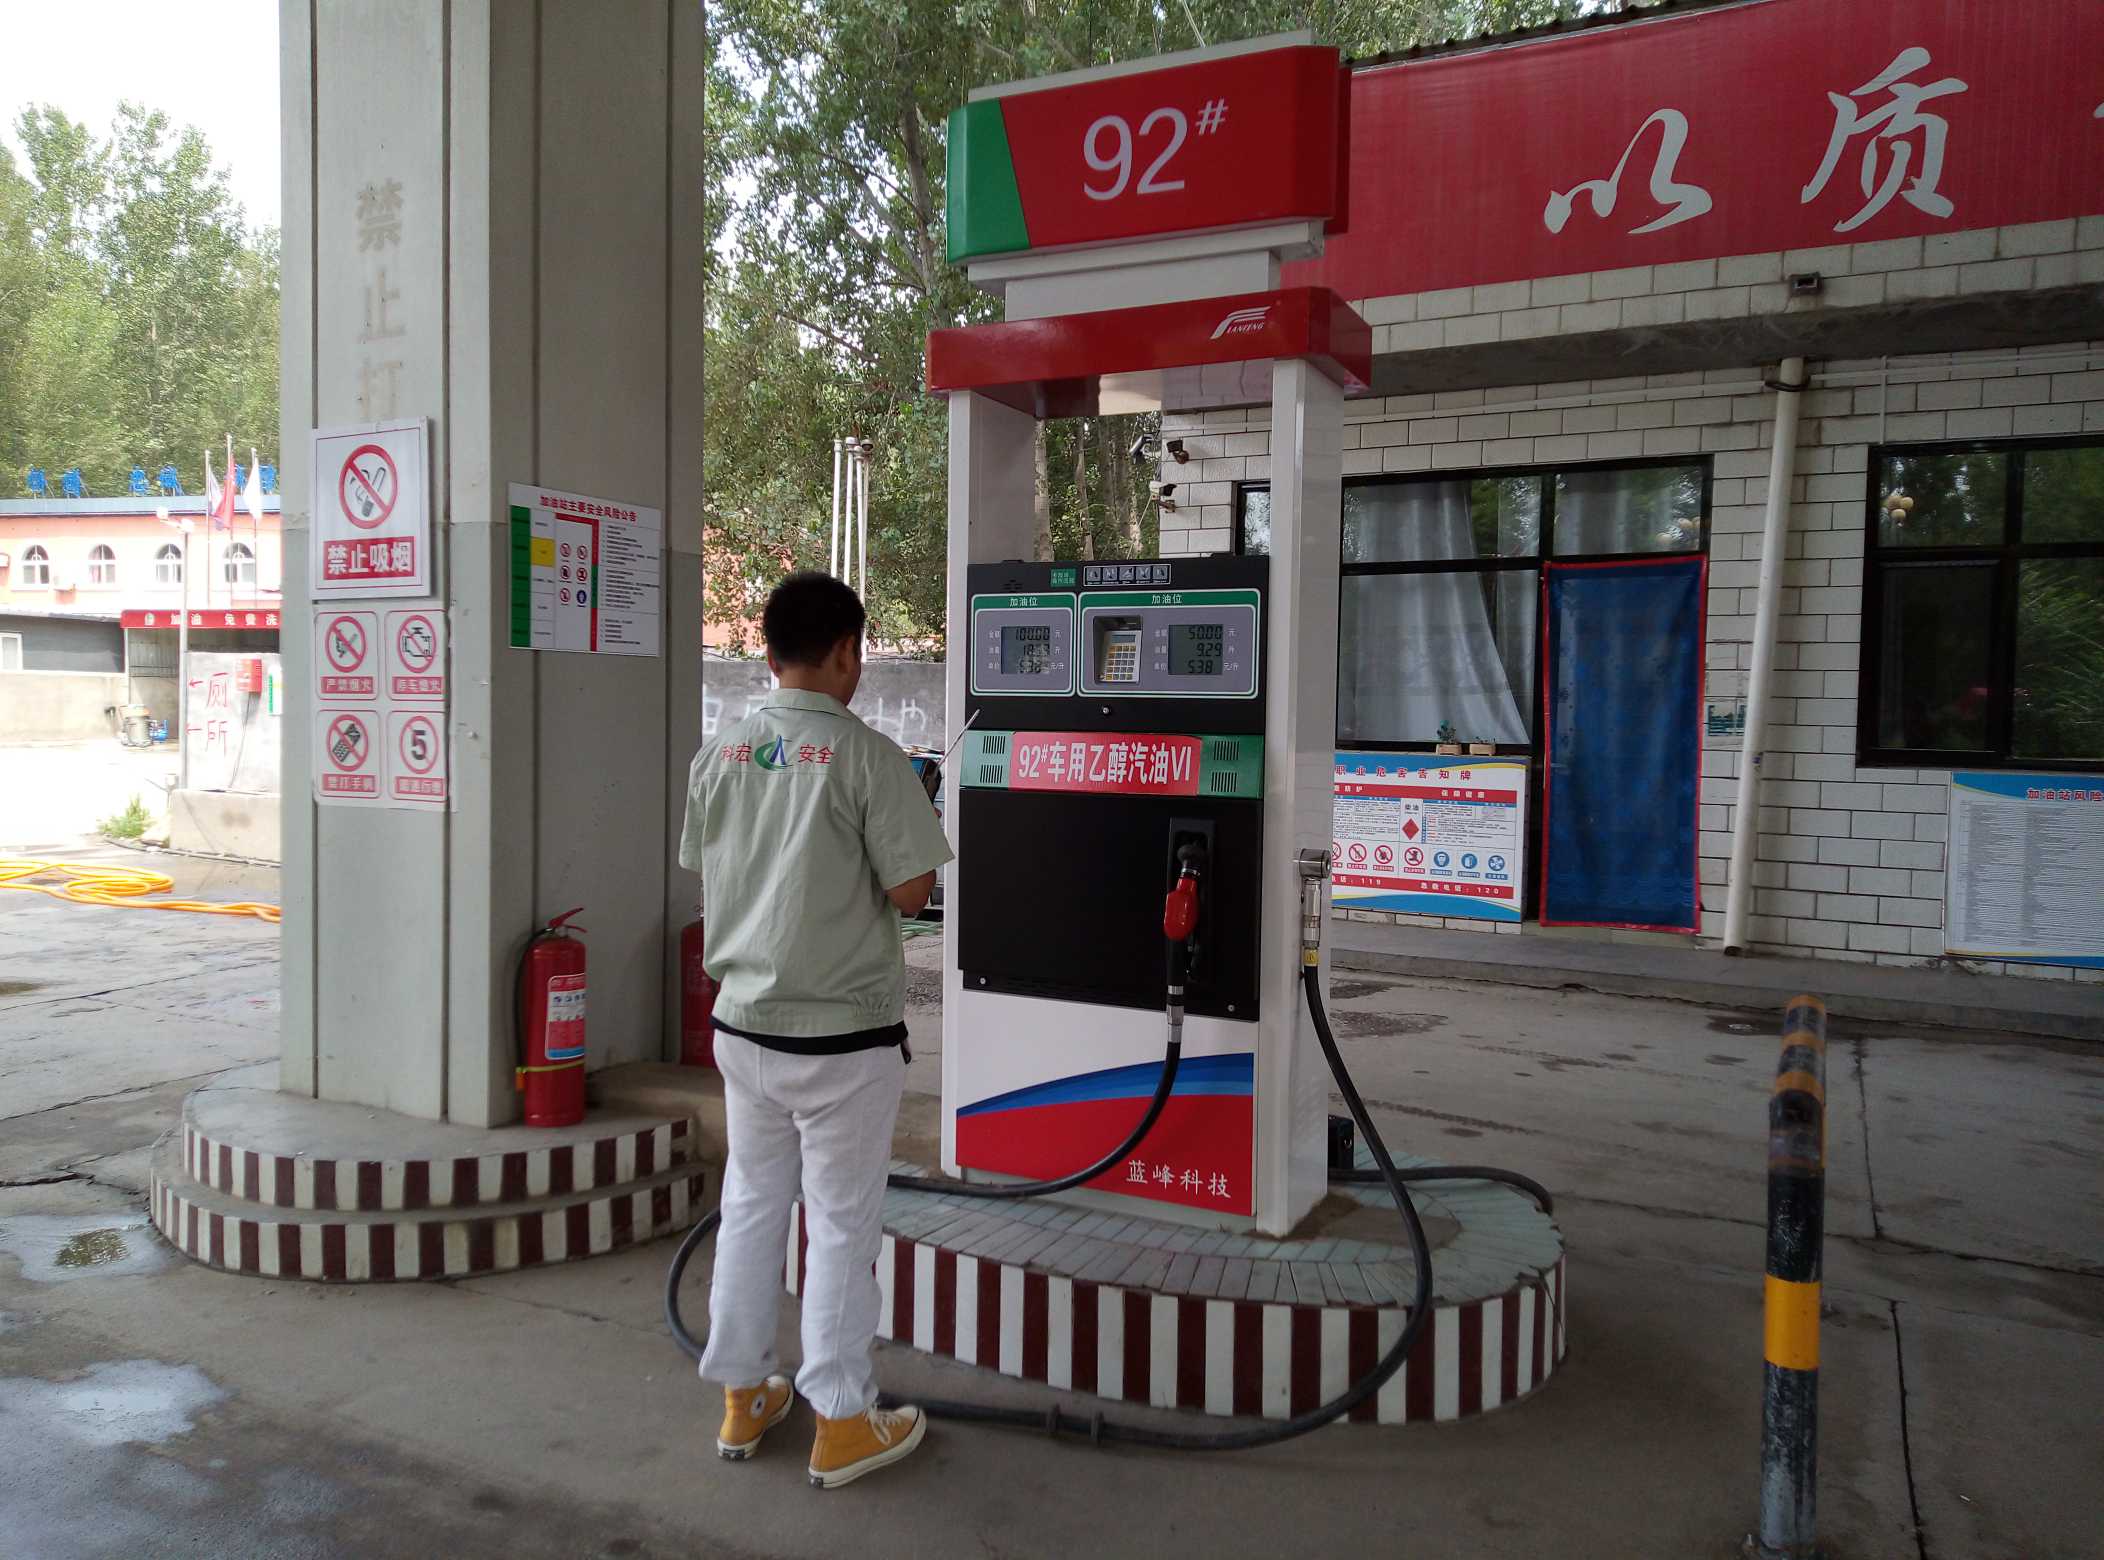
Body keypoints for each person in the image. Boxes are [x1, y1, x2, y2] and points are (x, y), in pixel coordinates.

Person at [679, 571, 952, 1489]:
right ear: (844, 651)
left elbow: (710, 863)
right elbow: (912, 893)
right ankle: (840, 1419)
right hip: (842, 1044)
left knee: (753, 1204)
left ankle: (743, 1395)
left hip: (743, 1028)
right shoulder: (869, 757)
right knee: (839, 1226)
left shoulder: (719, 754)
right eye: (857, 651)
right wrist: (915, 809)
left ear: (766, 653)